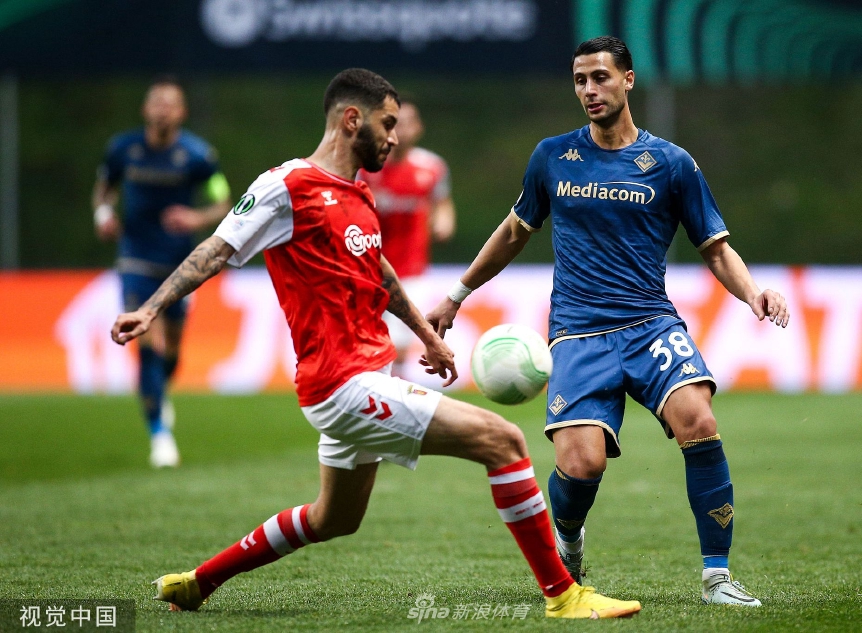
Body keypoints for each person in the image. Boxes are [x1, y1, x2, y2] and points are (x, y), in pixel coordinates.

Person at [110, 68, 641, 620]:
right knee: (503, 440)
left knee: (333, 518)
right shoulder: (286, 187)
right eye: (387, 124)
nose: (395, 135)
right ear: (351, 119)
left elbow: (379, 272)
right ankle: (563, 594)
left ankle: (199, 583)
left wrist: (427, 336)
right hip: (339, 384)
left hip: (367, 374)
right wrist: (151, 308)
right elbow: (216, 249)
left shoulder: (359, 193)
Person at [426, 37, 790, 607]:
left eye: (600, 77)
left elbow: (715, 248)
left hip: (650, 324)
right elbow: (515, 231)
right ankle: (569, 538)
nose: (589, 90)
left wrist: (753, 293)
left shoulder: (671, 163)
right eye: (580, 80)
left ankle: (717, 576)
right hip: (578, 332)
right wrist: (457, 295)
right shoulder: (553, 157)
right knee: (581, 465)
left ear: (628, 79)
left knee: (698, 419)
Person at [93, 76, 232, 468]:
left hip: (179, 265)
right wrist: (103, 214)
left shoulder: (198, 156)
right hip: (135, 259)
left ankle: (159, 393)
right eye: (156, 102)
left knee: (172, 351)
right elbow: (104, 189)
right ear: (145, 109)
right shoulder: (123, 149)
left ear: (182, 112)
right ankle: (159, 434)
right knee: (146, 342)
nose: (162, 110)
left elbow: (222, 200)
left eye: (170, 104)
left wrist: (195, 217)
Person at [358, 97, 455, 377]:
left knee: (398, 348)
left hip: (412, 271)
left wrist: (444, 221)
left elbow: (443, 203)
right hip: (368, 270)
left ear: (418, 127)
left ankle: (391, 396)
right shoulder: (366, 168)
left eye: (407, 123)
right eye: (394, 123)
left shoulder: (432, 167)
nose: (401, 129)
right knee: (369, 346)